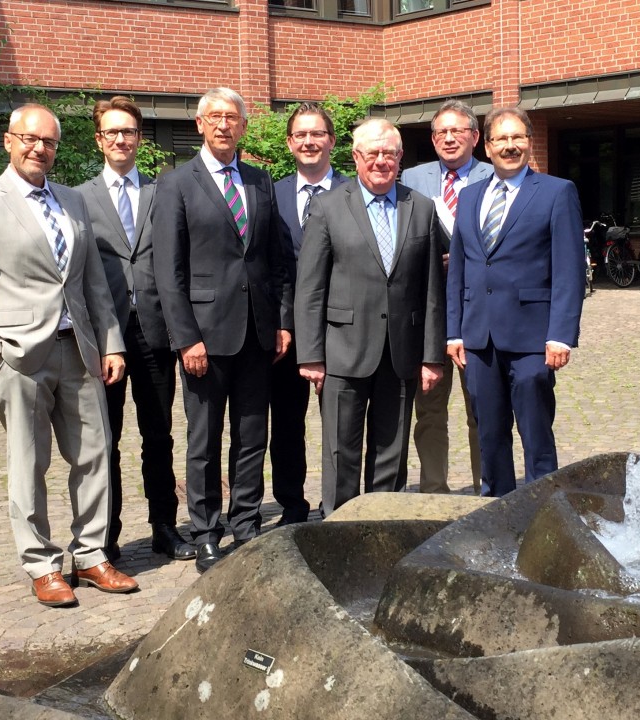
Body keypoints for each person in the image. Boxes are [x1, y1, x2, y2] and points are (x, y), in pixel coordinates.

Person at [0, 103, 139, 607]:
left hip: (80, 350)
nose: (39, 149)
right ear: (9, 141)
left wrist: (112, 342)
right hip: (20, 355)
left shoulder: (74, 202)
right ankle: (42, 565)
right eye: (30, 139)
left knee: (95, 457)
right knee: (28, 464)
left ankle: (92, 556)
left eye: (49, 142)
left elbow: (95, 283)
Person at [152, 87, 293, 574]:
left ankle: (248, 524)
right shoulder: (176, 184)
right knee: (205, 439)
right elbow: (169, 272)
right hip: (205, 339)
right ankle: (207, 529)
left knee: (253, 435)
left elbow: (274, 260)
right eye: (214, 117)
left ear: (243, 126)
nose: (223, 125)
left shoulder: (259, 180)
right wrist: (186, 337)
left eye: (231, 118)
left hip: (257, 334)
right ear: (198, 124)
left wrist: (278, 323)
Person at [295, 118, 445, 517]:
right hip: (343, 350)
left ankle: (382, 523)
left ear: (400, 158)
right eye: (373, 154)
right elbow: (310, 286)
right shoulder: (327, 206)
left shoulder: (422, 208)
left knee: (390, 450)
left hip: (401, 351)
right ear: (356, 157)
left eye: (390, 154)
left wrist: (432, 356)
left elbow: (431, 290)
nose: (381, 161)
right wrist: (310, 354)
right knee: (341, 448)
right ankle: (339, 525)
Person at [75, 97, 194, 564]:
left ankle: (164, 526)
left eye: (129, 132)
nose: (121, 139)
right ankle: (106, 534)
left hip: (155, 333)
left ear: (140, 139)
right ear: (99, 139)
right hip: (105, 335)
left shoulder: (161, 192)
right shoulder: (78, 198)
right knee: (103, 439)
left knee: (158, 434)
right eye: (112, 132)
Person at [446, 107, 584, 497]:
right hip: (479, 338)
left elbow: (569, 270)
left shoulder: (557, 192)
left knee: (535, 433)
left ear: (529, 142)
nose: (510, 146)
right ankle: (498, 509)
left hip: (532, 339)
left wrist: (561, 334)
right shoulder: (470, 196)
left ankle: (544, 510)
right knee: (489, 435)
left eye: (517, 138)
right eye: (501, 139)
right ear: (486, 146)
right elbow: (460, 267)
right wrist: (454, 330)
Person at [400, 99, 490, 495]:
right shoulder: (412, 178)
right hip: (430, 310)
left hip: (479, 313)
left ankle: (487, 488)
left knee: (482, 409)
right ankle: (434, 489)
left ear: (475, 136)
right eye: (441, 132)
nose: (449, 138)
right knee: (430, 410)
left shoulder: (495, 175)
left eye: (457, 131)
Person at [270, 102, 349, 526]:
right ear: (289, 143)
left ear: (332, 141)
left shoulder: (355, 192)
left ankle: (339, 502)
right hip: (288, 332)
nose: (308, 141)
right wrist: (283, 322)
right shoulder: (271, 193)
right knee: (285, 424)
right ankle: (291, 505)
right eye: (300, 134)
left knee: (341, 422)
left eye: (316, 134)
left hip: (341, 327)